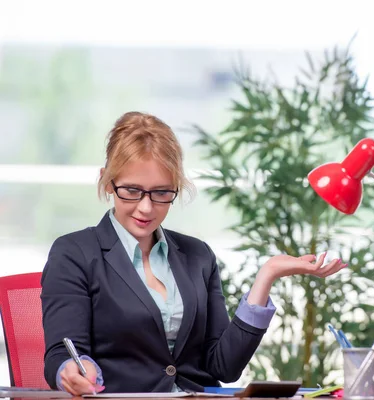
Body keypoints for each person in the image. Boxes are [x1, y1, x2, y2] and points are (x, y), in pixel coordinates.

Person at [41, 111, 346, 395]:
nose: (146, 208)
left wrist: (267, 276)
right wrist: (71, 369)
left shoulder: (197, 255)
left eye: (161, 193)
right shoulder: (75, 253)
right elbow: (61, 355)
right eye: (132, 190)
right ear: (108, 181)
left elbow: (222, 367)